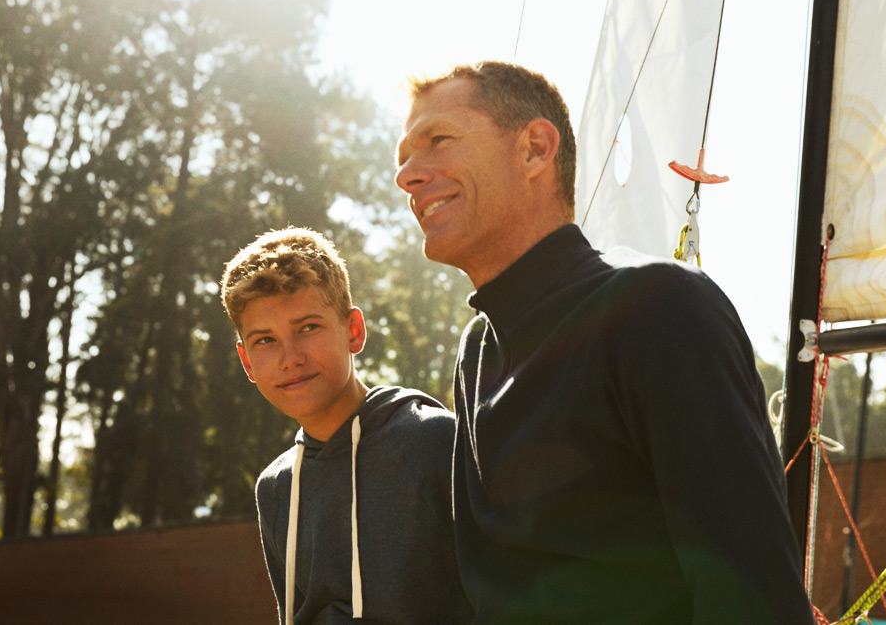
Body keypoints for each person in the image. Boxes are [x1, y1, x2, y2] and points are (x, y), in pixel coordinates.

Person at [394, 61, 816, 624]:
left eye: (438, 140)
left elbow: (752, 597)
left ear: (535, 149)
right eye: (402, 159)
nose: (406, 176)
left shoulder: (658, 308)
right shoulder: (478, 351)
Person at [220, 227, 471, 625]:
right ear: (247, 362)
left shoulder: (435, 441)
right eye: (265, 340)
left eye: (308, 327)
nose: (290, 357)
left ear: (353, 331)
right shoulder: (275, 489)